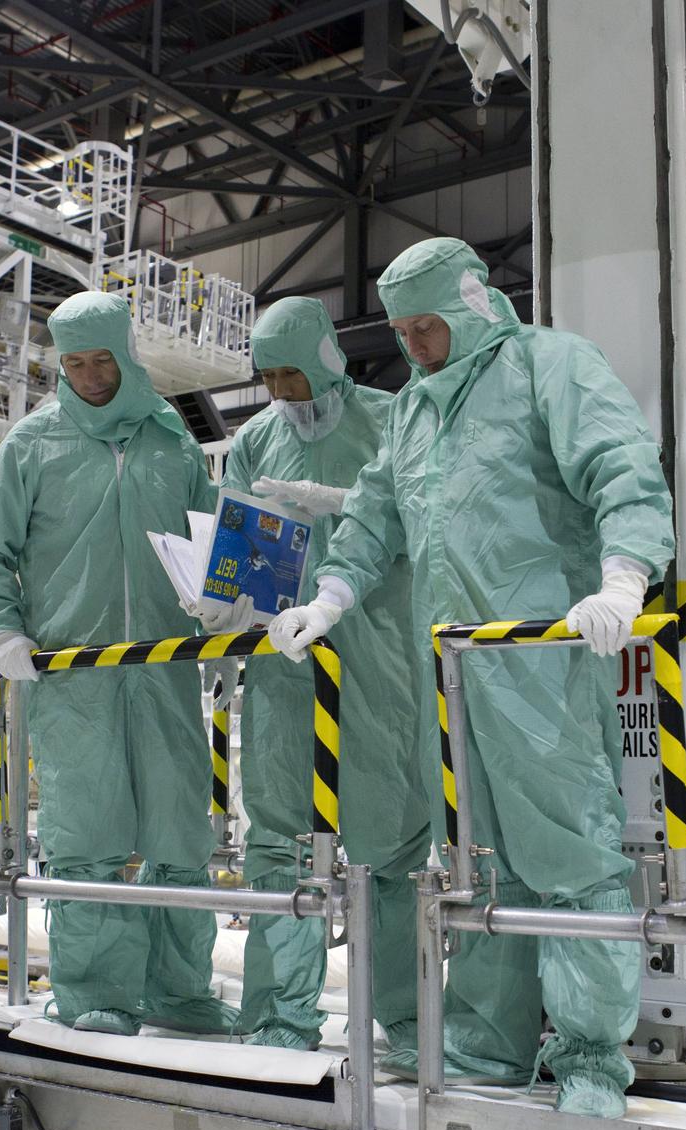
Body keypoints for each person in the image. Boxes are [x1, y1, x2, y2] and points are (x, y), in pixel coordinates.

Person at [268, 240, 674, 1118]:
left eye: (428, 326)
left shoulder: (547, 366)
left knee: (569, 855)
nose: (415, 345)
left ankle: (591, 1062)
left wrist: (621, 577)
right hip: (447, 676)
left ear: (471, 305)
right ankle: (486, 1048)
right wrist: (331, 597)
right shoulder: (414, 410)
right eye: (402, 331)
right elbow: (375, 514)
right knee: (476, 866)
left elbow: (619, 465)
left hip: (540, 668)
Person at [0, 290, 237, 1037]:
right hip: (73, 674)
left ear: (124, 354)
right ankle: (97, 995)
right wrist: (3, 634)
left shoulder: (168, 439)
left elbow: (208, 533)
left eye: (99, 359)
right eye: (73, 362)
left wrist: (220, 600)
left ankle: (181, 993)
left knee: (180, 832)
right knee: (87, 839)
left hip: (166, 663)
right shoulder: (33, 443)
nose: (86, 375)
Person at [201, 296, 431, 1065]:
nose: (280, 392)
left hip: (378, 654)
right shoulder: (256, 440)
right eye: (268, 377)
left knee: (391, 847)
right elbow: (237, 542)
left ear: (326, 361)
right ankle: (277, 1014)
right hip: (283, 667)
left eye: (292, 374)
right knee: (277, 842)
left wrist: (340, 506)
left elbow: (424, 517)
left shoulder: (392, 417)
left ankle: (403, 1021)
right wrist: (220, 598)